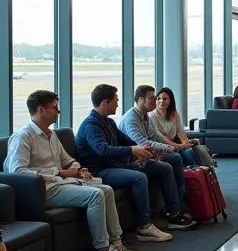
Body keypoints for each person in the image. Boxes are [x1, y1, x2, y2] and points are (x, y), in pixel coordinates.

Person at [5, 90, 143, 251]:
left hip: (60, 184)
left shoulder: (51, 134)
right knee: (95, 195)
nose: (58, 112)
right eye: (55, 108)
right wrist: (59, 173)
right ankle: (102, 250)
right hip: (43, 190)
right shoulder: (23, 137)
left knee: (106, 190)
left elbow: (67, 160)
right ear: (41, 109)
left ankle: (117, 244)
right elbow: (17, 172)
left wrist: (78, 169)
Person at [76, 84, 195, 242]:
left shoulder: (109, 123)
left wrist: (144, 153)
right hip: (100, 170)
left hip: (116, 164)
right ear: (105, 103)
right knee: (139, 178)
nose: (118, 104)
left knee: (164, 167)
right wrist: (133, 151)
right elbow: (103, 150)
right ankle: (144, 226)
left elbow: (128, 142)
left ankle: (174, 213)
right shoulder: (91, 125)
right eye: (115, 101)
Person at [120, 86, 192, 221]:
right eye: (152, 98)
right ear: (141, 100)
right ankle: (175, 211)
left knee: (176, 158)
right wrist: (169, 148)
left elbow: (154, 137)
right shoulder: (131, 119)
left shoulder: (145, 116)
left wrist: (165, 148)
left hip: (146, 155)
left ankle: (181, 202)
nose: (155, 101)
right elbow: (142, 143)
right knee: (166, 166)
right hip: (134, 159)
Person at [152, 87, 216, 168]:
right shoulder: (152, 116)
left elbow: (180, 132)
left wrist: (185, 143)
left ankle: (199, 173)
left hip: (175, 145)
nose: (161, 101)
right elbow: (162, 138)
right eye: (159, 99)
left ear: (170, 100)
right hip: (162, 147)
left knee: (190, 151)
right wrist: (180, 146)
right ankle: (197, 172)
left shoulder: (174, 114)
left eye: (165, 99)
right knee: (187, 152)